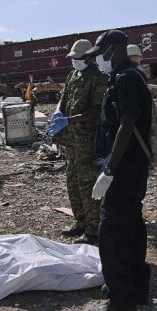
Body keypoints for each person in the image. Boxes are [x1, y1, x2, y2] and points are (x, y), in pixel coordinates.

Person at [84, 30, 153, 311]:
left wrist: (110, 168)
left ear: (113, 50)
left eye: (99, 53)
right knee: (132, 227)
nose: (97, 60)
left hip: (123, 169)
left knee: (111, 234)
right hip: (129, 167)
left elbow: (126, 125)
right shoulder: (125, 76)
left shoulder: (126, 79)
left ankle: (121, 303)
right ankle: (137, 289)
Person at [46, 39, 107, 244]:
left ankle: (93, 230)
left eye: (78, 58)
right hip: (71, 141)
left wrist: (70, 120)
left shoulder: (98, 78)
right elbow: (62, 101)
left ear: (89, 57)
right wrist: (57, 115)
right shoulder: (73, 75)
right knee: (72, 182)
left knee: (87, 184)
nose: (75, 62)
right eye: (73, 58)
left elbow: (97, 110)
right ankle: (80, 222)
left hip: (87, 141)